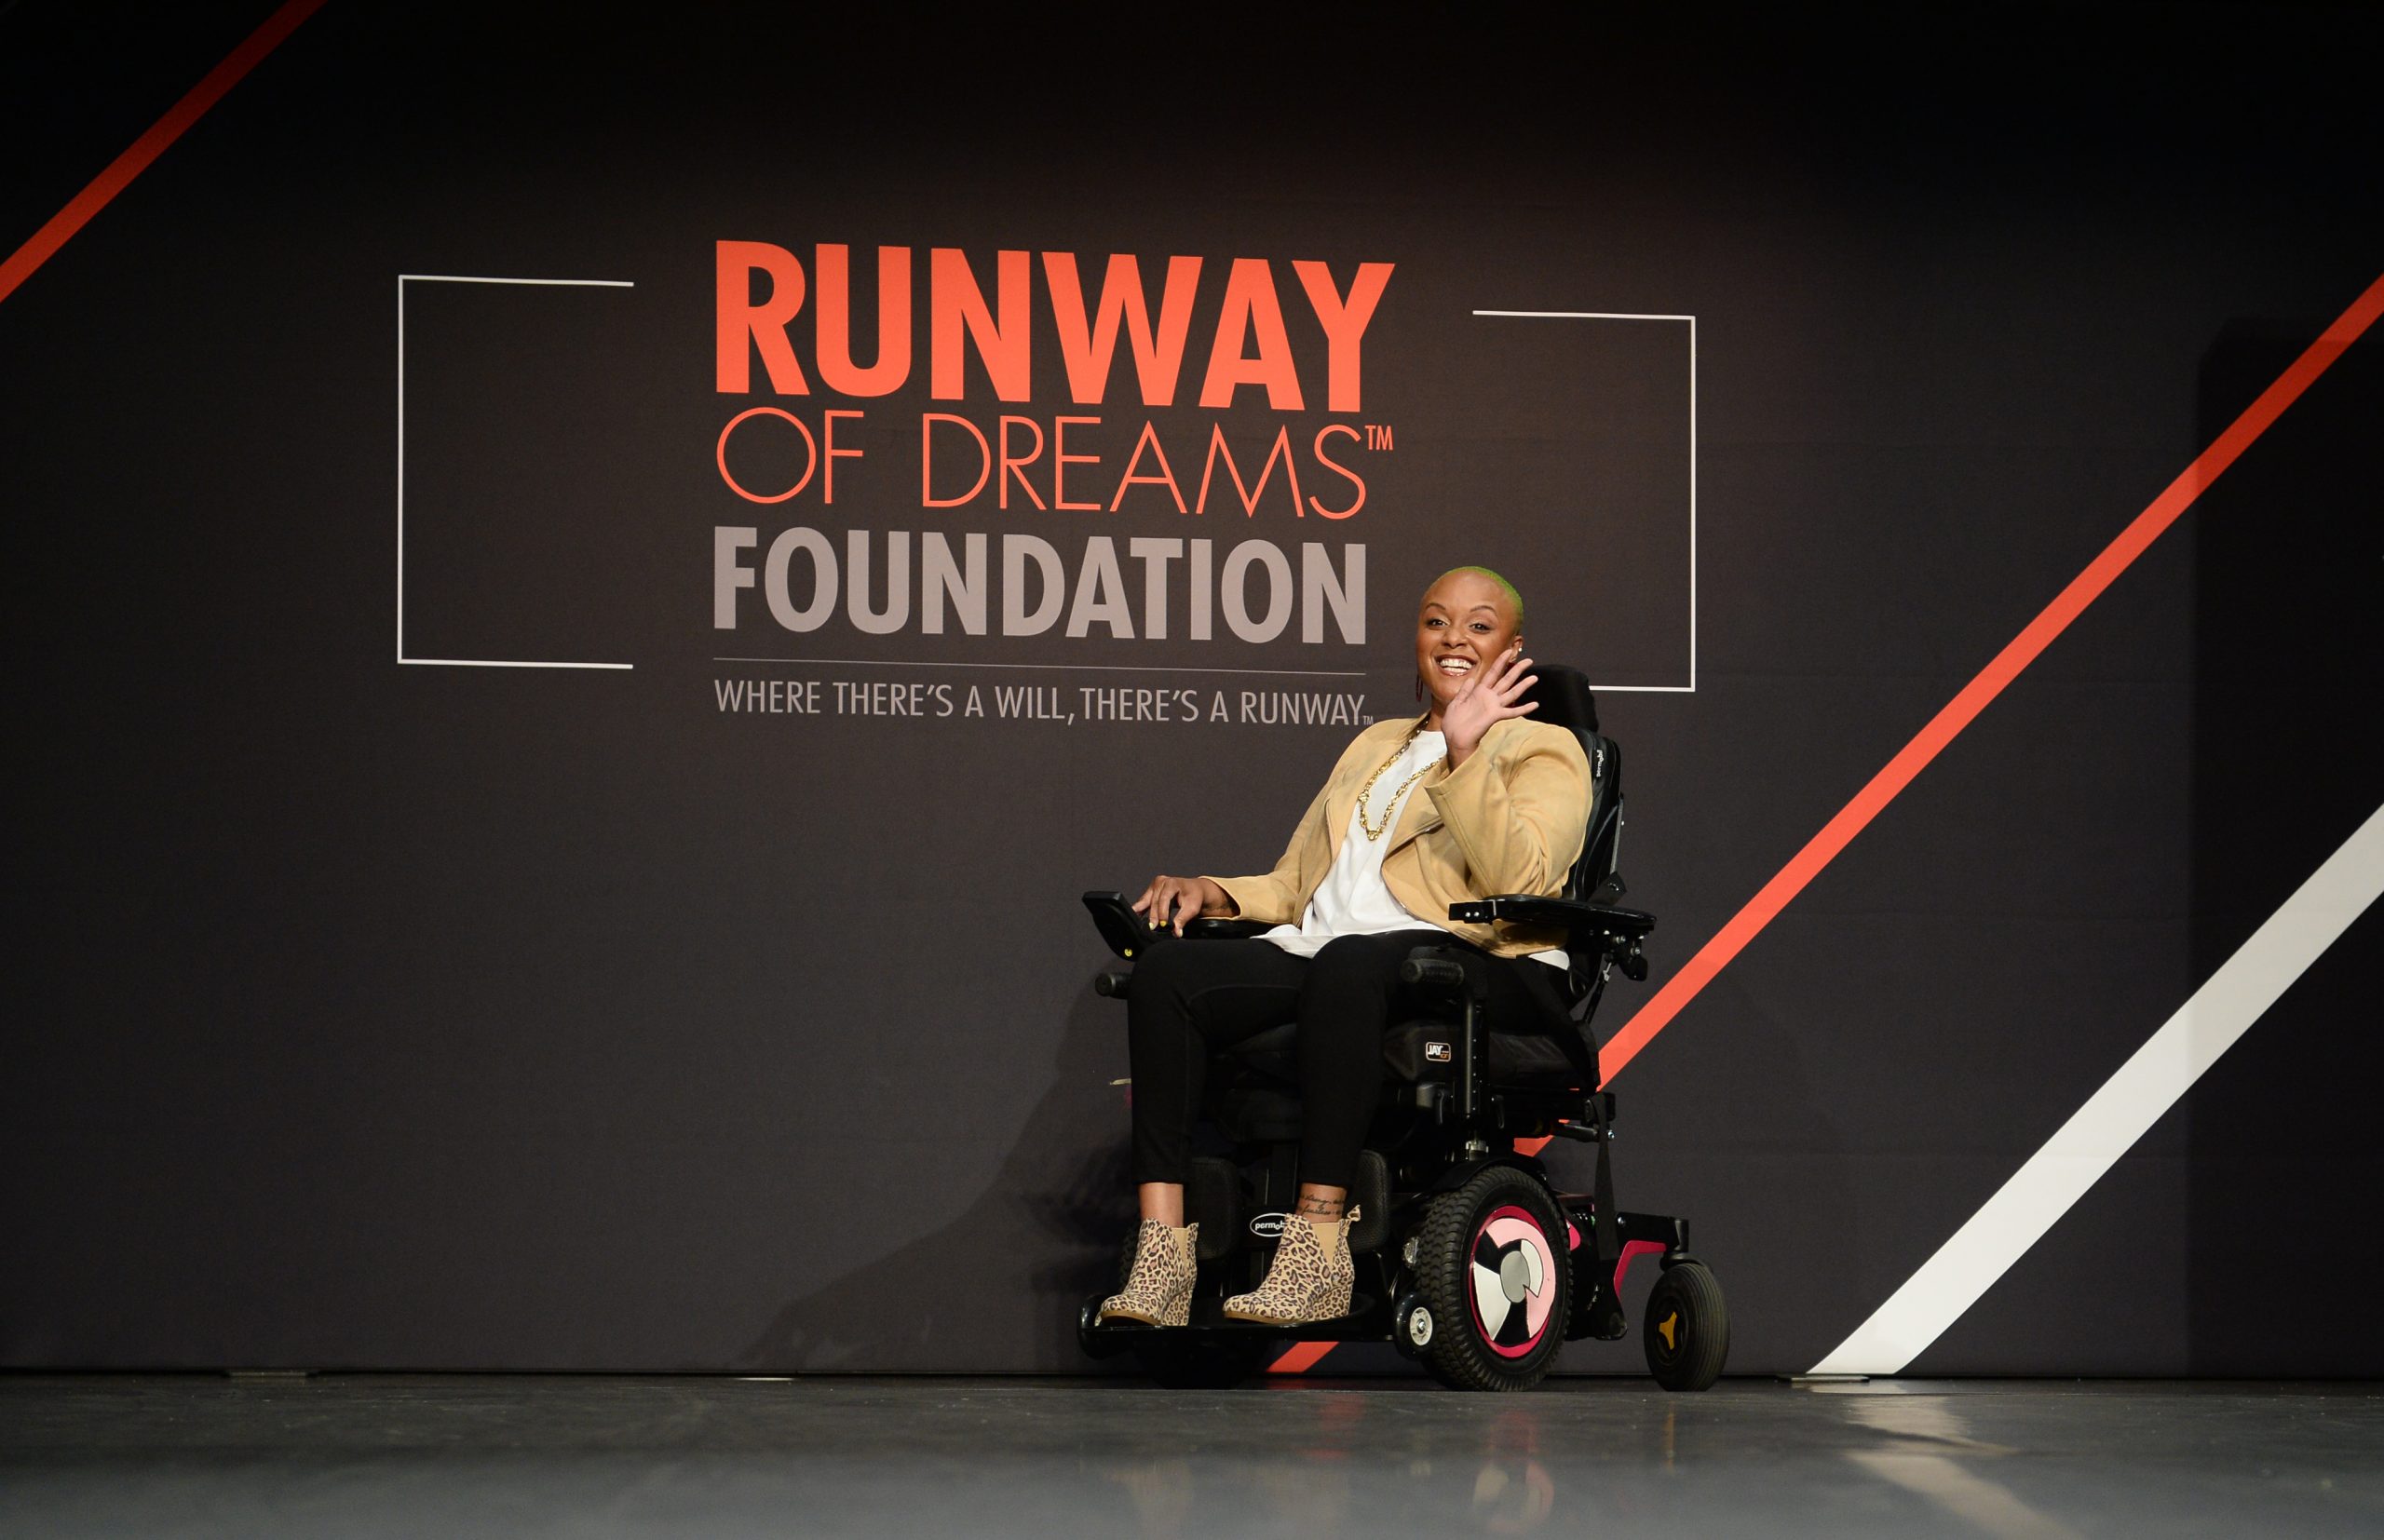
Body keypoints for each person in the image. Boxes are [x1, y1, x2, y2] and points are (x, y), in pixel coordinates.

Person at [1098, 567, 1592, 1330]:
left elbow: (1519, 879)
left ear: (1512, 649)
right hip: (1342, 960)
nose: (1454, 638)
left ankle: (1318, 1248)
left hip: (1479, 965)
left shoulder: (1545, 750)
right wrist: (1215, 891)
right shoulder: (1376, 746)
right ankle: (1164, 1258)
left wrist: (1465, 756)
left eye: (1479, 625)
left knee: (1352, 959)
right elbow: (1300, 883)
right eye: (1436, 622)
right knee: (1167, 973)